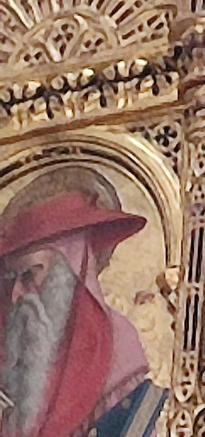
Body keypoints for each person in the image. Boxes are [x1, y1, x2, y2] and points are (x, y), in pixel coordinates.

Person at [0, 179, 167, 437]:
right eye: (11, 279)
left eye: (29, 275)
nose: (16, 295)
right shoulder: (14, 352)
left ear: (66, 272)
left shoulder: (120, 355)